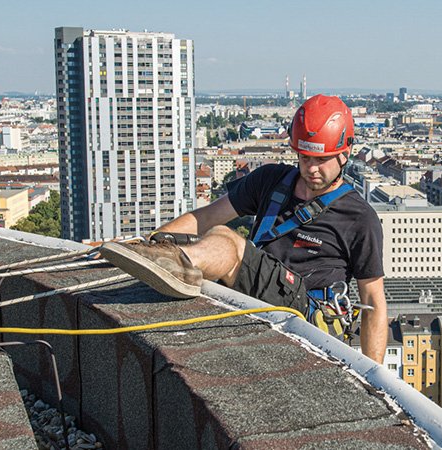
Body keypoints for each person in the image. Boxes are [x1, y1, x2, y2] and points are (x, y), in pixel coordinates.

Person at [100, 95, 387, 364]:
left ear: (345, 154)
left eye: (321, 160)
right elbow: (206, 216)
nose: (311, 168)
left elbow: (372, 298)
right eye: (304, 158)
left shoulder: (359, 217)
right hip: (256, 290)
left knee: (227, 240)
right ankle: (166, 261)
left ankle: (179, 266)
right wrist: (148, 243)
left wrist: (375, 375)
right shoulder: (270, 180)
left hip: (302, 307)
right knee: (205, 237)